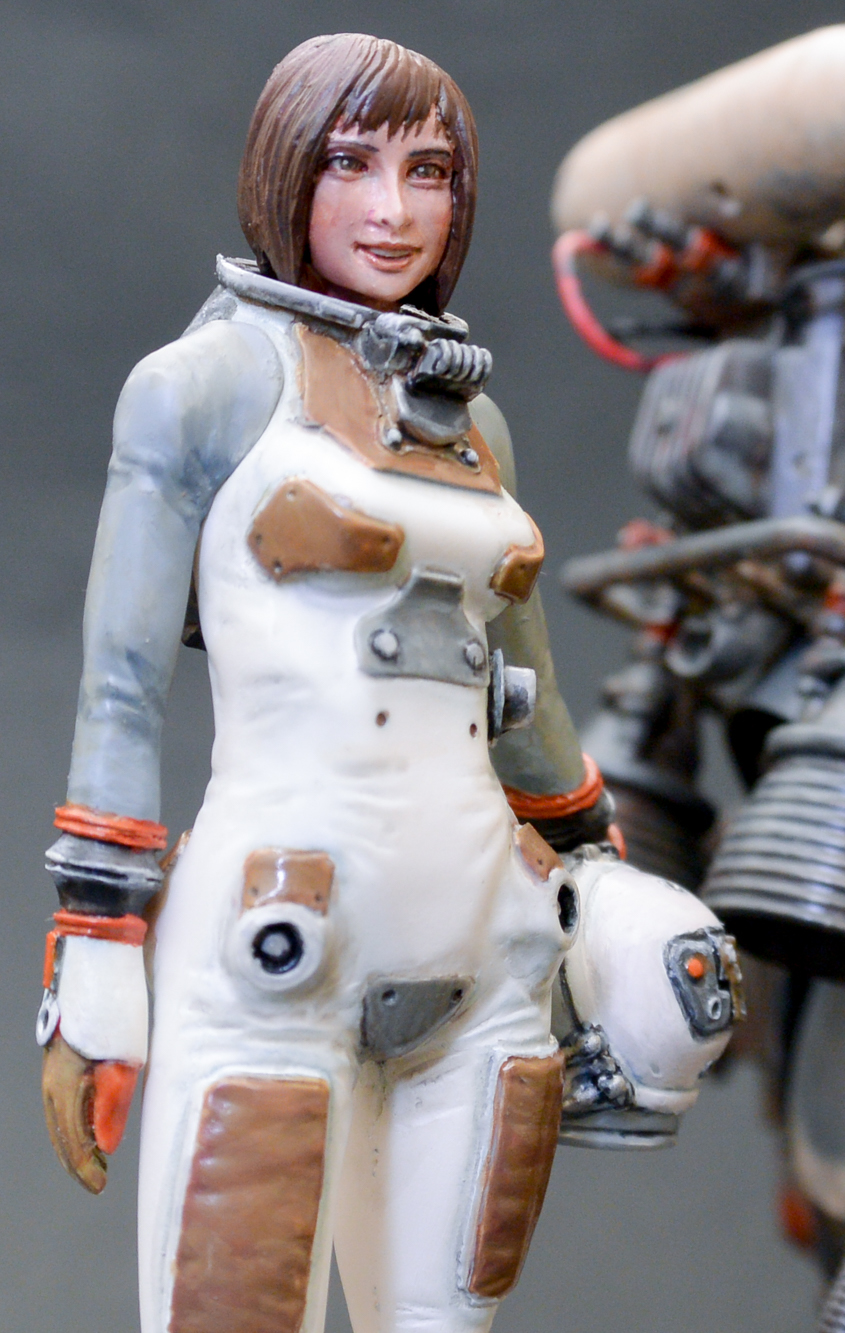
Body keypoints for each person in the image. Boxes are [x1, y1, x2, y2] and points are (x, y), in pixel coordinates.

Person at [36, 33, 736, 1333]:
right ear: (285, 173)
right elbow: (121, 687)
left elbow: (526, 698)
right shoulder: (202, 390)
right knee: (237, 1308)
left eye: (430, 173)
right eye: (351, 164)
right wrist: (97, 938)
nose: (394, 210)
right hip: (277, 937)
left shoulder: (472, 422)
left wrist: (597, 872)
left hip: (487, 937)